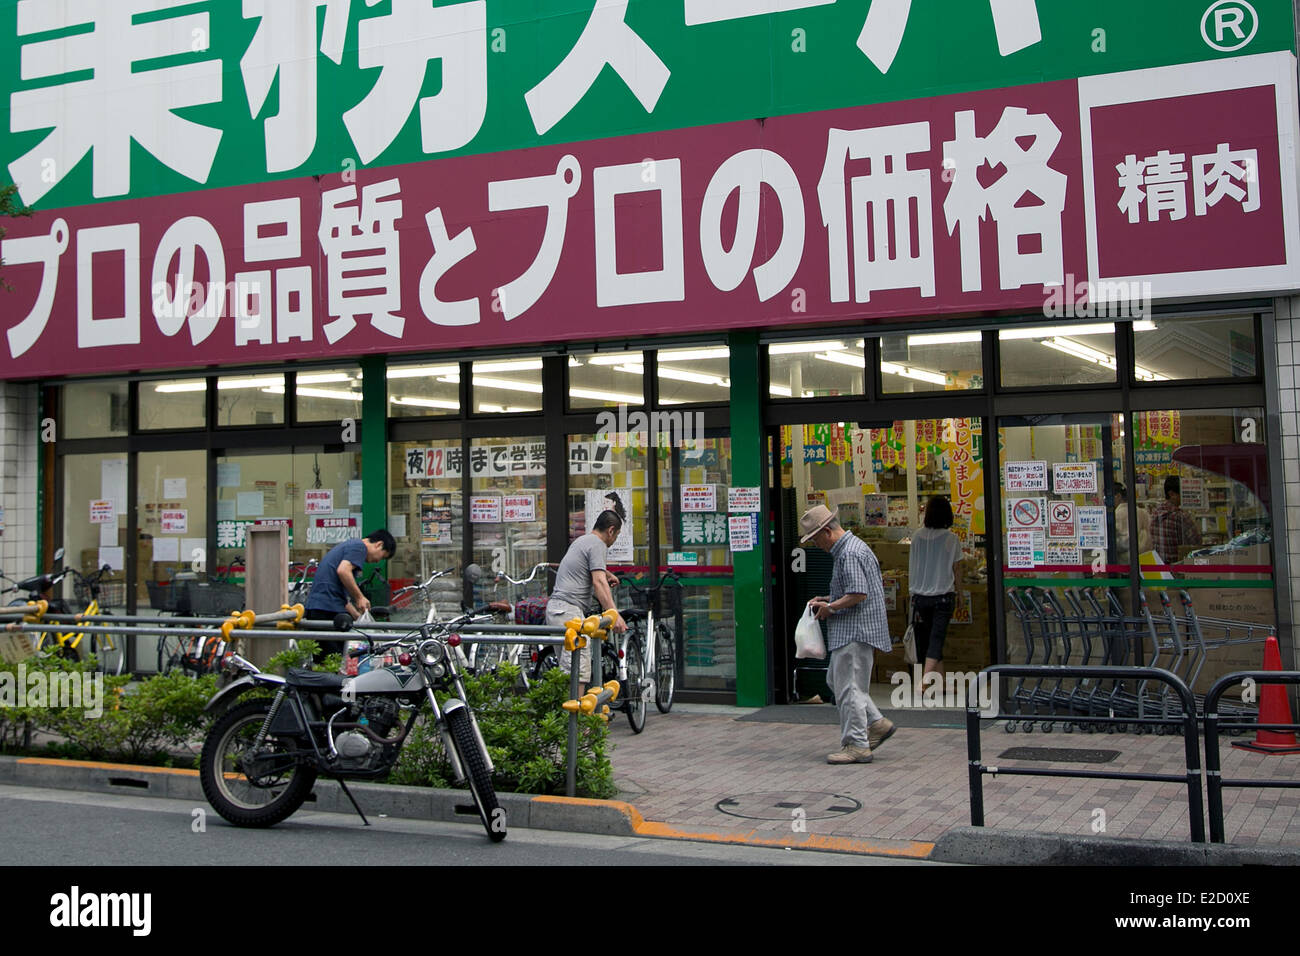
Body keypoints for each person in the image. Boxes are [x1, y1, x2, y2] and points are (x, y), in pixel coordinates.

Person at [802, 504, 896, 764]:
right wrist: (827, 600)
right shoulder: (852, 549)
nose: (815, 545)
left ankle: (856, 744)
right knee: (838, 681)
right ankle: (876, 723)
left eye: (814, 539)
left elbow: (857, 594)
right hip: (857, 629)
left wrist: (830, 607)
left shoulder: (848, 554)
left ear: (826, 532)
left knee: (849, 689)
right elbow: (855, 592)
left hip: (855, 630)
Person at [546, 509, 627, 682]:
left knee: (567, 670)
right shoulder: (598, 544)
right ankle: (576, 710)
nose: (614, 540)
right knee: (578, 670)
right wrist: (614, 615)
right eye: (617, 535)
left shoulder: (582, 541)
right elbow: (598, 583)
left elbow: (586, 567)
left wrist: (606, 573)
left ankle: (565, 707)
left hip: (557, 609)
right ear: (611, 530)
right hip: (568, 612)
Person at [304, 529, 396, 657]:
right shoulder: (359, 547)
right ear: (379, 545)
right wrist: (360, 597)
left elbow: (340, 595)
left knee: (328, 660)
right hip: (326, 610)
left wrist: (357, 616)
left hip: (321, 608)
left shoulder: (350, 547)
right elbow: (343, 571)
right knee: (331, 661)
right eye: (382, 556)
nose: (378, 561)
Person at [908, 496, 962, 683]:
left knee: (931, 637)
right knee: (937, 638)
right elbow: (957, 569)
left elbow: (913, 565)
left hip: (920, 596)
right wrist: (961, 594)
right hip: (943, 596)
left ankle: (941, 683)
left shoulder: (916, 537)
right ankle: (925, 679)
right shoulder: (951, 538)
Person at [1149, 475, 1201, 562]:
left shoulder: (1154, 513)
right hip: (1177, 566)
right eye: (1181, 493)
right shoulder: (1180, 516)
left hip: (1159, 566)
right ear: (1171, 494)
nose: (1183, 497)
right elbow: (1197, 542)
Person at [1113, 482, 1152, 556]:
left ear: (1118, 496)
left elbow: (1124, 544)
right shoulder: (1143, 512)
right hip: (1145, 558)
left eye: (1106, 497)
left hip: (1125, 562)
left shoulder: (1117, 515)